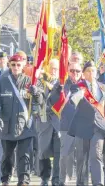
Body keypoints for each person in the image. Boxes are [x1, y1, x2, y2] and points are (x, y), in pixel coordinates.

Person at [0, 54, 44, 186]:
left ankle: (23, 181)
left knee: (24, 155)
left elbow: (41, 101)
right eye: (13, 64)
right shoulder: (1, 82)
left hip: (25, 125)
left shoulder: (31, 81)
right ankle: (5, 179)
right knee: (7, 156)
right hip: (6, 125)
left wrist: (36, 92)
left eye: (18, 65)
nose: (16, 67)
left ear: (23, 65)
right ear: (9, 65)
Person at [68, 60, 105, 186]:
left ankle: (98, 183)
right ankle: (82, 183)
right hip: (82, 127)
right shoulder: (77, 86)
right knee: (82, 158)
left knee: (97, 156)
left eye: (93, 71)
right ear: (84, 74)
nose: (91, 73)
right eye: (88, 71)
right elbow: (72, 101)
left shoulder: (103, 87)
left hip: (98, 127)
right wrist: (81, 93)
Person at [48, 62, 82, 186]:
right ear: (68, 71)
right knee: (65, 155)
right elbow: (52, 102)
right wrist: (57, 91)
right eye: (72, 71)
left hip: (82, 127)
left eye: (78, 71)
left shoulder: (85, 85)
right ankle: (63, 180)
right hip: (66, 125)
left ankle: (80, 180)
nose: (75, 73)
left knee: (81, 156)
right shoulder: (61, 84)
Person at [36, 58, 60, 186]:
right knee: (43, 150)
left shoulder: (62, 82)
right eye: (52, 68)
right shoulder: (41, 82)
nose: (54, 71)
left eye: (56, 68)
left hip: (58, 120)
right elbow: (37, 98)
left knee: (58, 152)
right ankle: (44, 177)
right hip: (44, 119)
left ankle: (56, 179)